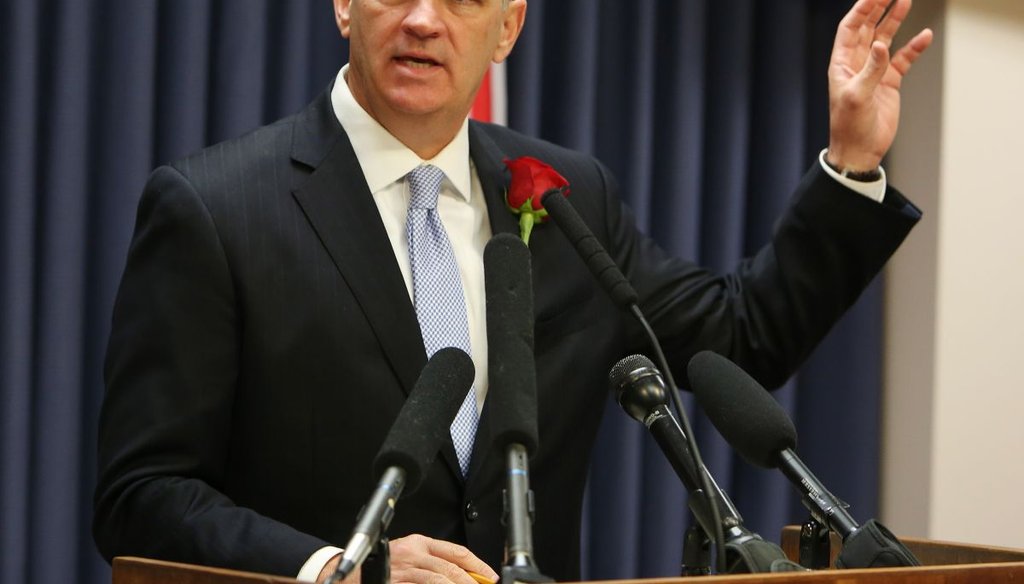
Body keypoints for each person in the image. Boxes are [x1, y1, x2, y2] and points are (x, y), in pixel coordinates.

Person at [93, 0, 933, 582]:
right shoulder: (216, 207)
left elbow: (743, 339)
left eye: (462, 0)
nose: (424, 20)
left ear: (508, 29)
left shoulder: (564, 197)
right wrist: (338, 570)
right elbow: (143, 497)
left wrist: (851, 164)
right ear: (345, 7)